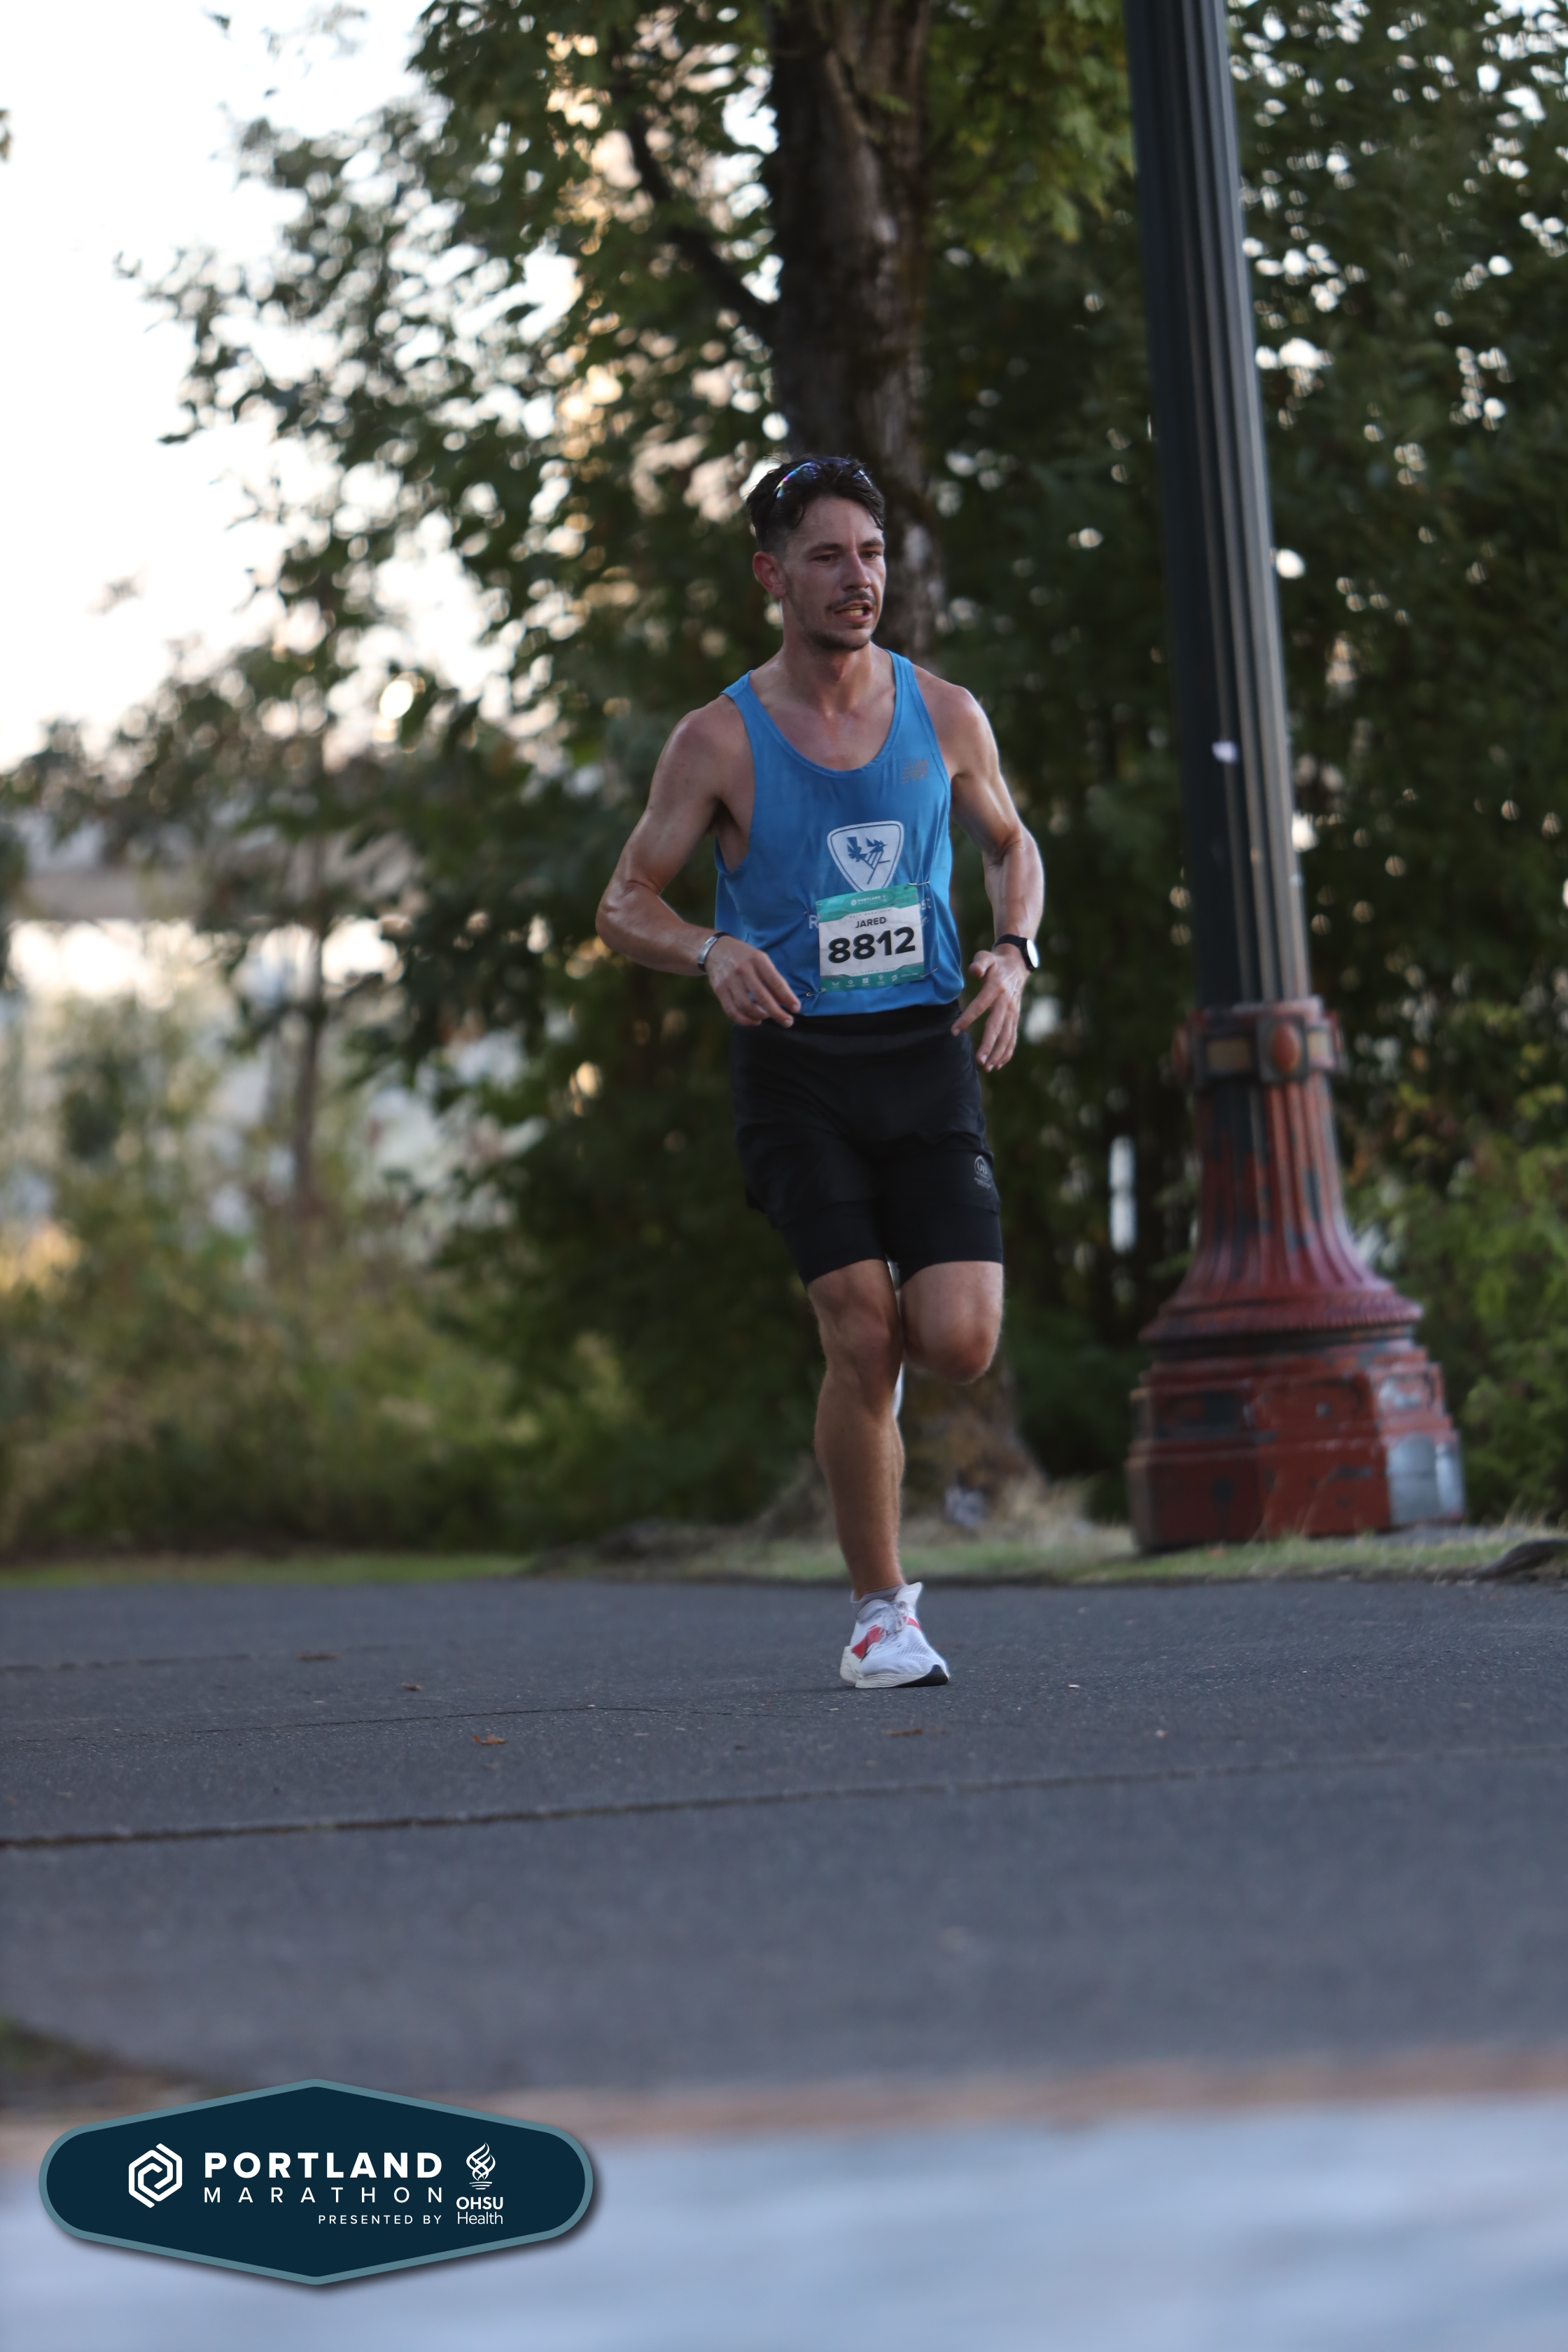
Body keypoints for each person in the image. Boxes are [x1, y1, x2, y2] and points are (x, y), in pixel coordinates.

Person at [596, 454, 1044, 1689]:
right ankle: (879, 1615)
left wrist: (1014, 955)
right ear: (771, 575)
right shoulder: (716, 740)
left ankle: (871, 1410)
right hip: (797, 1067)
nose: (859, 578)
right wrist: (711, 949)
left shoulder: (945, 714)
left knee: (957, 1341)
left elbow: (1012, 847)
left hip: (924, 1052)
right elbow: (624, 904)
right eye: (829, 556)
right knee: (859, 1330)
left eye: (874, 554)